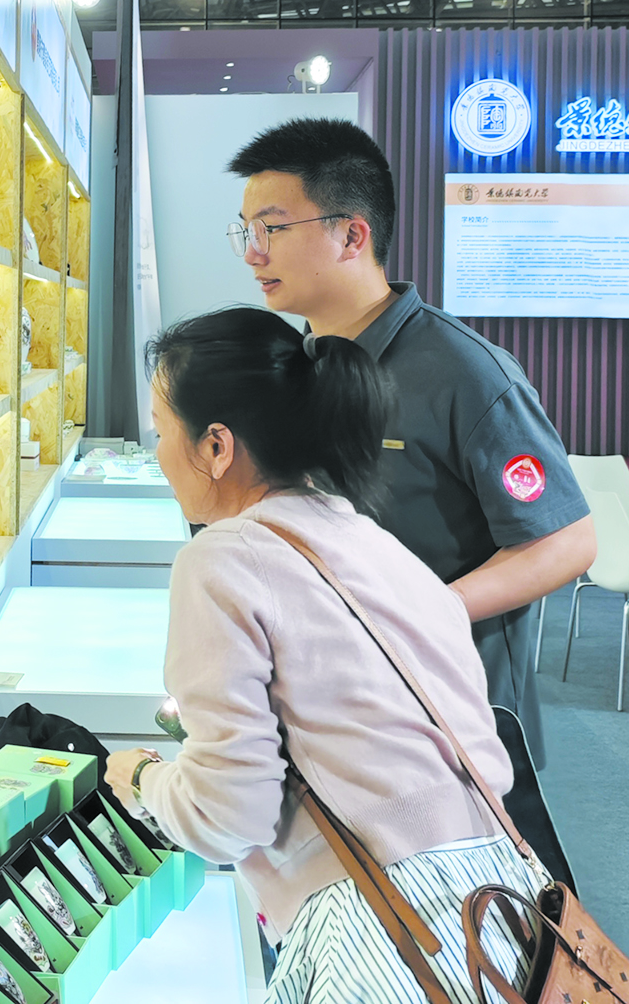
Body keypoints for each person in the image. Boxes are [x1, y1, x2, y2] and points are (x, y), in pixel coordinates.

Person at [105, 307, 543, 1001]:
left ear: (216, 446)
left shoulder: (221, 559)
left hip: (379, 936)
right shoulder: (374, 543)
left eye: (161, 432)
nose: (157, 452)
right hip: (491, 913)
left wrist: (140, 781)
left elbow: (229, 814)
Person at [222, 117, 595, 766]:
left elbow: (565, 541)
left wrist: (426, 610)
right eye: (246, 231)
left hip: (450, 718)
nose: (253, 253)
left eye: (272, 229)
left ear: (352, 235)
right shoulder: (300, 365)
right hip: (334, 708)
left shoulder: (464, 372)